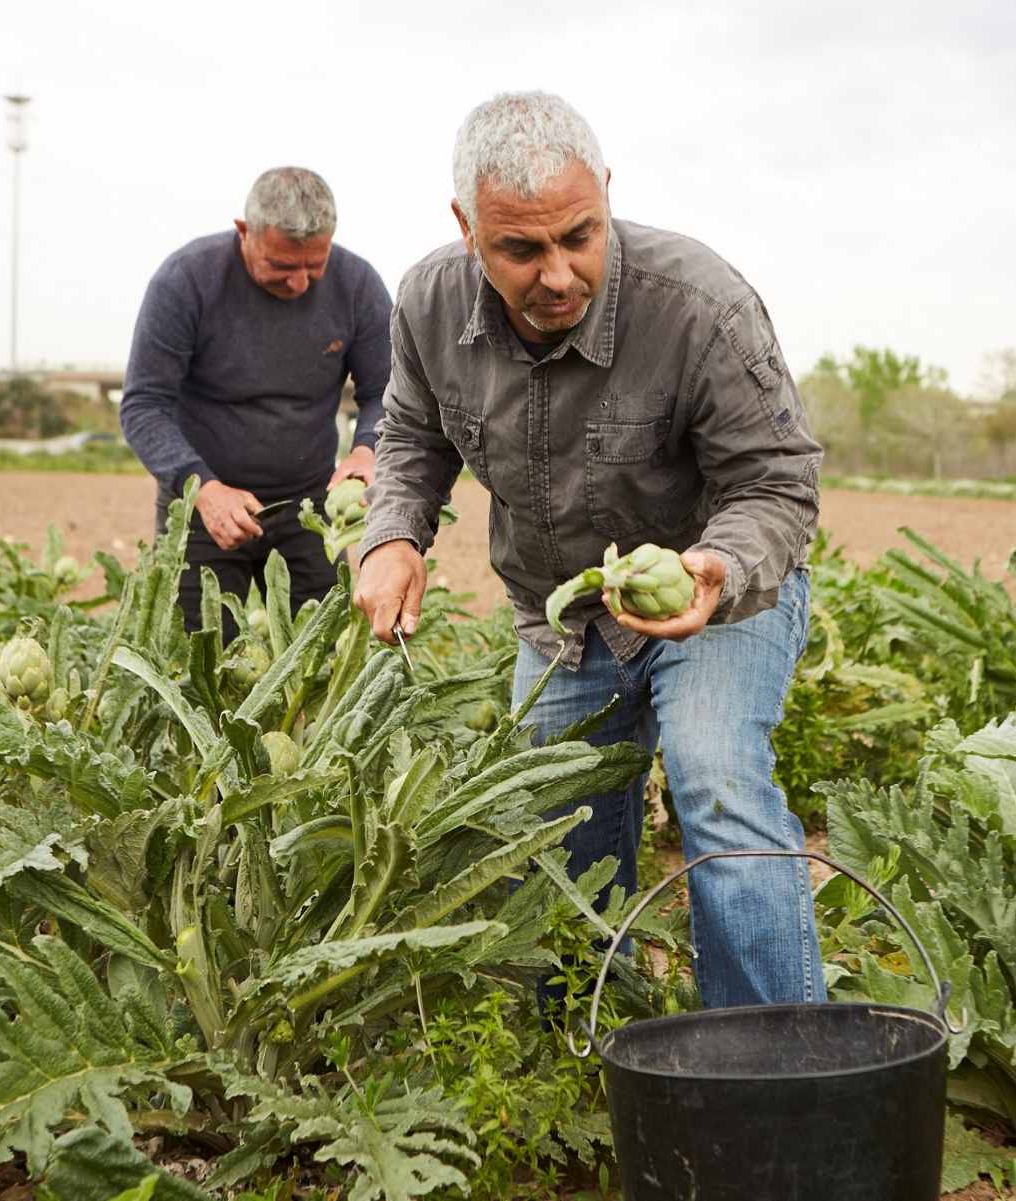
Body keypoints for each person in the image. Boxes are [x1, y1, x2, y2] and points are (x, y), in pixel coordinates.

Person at [353, 91, 825, 1010]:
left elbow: (778, 480)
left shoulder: (701, 306)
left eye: (581, 234)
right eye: (522, 250)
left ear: (606, 194)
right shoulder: (425, 304)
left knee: (717, 783)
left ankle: (775, 1059)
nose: (559, 273)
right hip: (559, 621)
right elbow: (411, 437)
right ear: (467, 229)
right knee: (558, 832)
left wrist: (714, 569)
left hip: (716, 598)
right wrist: (393, 536)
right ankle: (581, 1058)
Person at [120, 167, 392, 636]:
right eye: (283, 266)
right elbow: (144, 405)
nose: (301, 283)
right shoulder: (185, 281)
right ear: (245, 233)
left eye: (315, 264)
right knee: (194, 666)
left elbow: (386, 394)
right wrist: (202, 488)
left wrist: (367, 448)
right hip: (204, 508)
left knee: (319, 666)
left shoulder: (358, 285)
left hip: (308, 511)